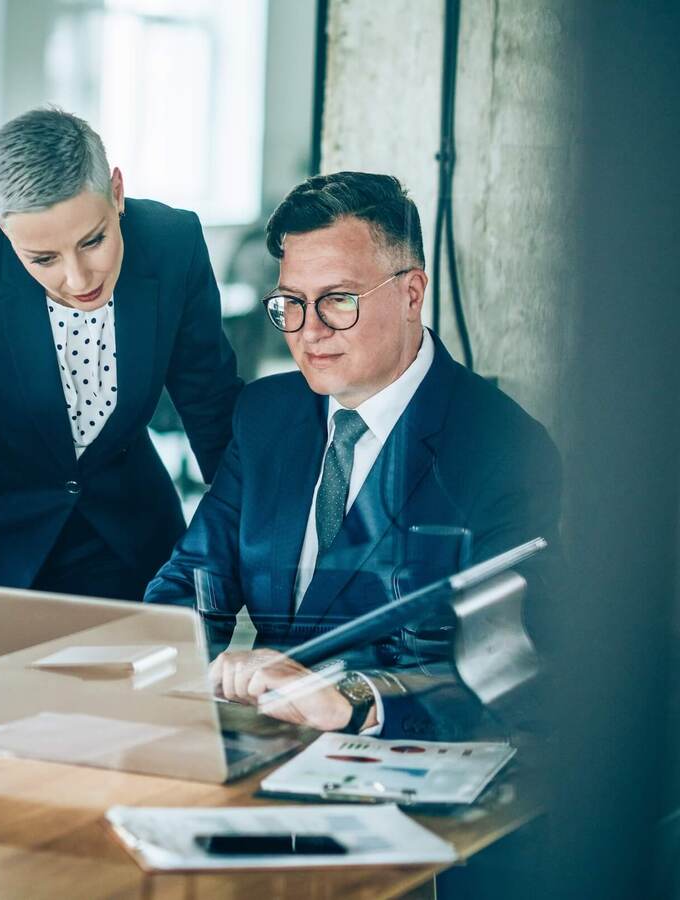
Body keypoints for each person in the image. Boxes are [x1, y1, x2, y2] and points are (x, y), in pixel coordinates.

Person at [145, 171, 561, 740]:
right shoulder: (267, 415)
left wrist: (355, 699)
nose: (309, 331)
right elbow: (196, 581)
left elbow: (512, 668)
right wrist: (161, 662)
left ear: (412, 293)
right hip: (266, 750)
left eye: (338, 300)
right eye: (291, 302)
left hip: (407, 762)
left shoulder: (504, 449)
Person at [0, 108, 242, 638]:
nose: (77, 278)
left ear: (117, 192)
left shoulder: (173, 244)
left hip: (124, 530)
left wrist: (269, 562)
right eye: (42, 259)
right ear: (1, 229)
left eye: (93, 241)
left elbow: (213, 412)